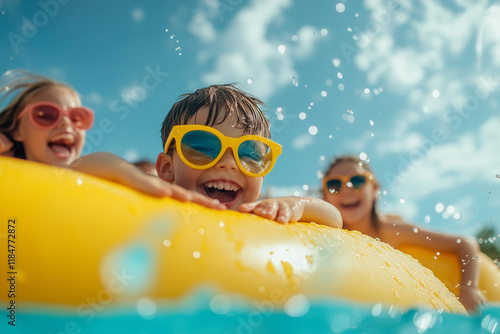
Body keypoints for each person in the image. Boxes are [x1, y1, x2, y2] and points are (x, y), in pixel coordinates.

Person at [0, 69, 223, 210]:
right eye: (46, 115)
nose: (65, 124)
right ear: (17, 130)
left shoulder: (89, 178)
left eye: (78, 118)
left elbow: (84, 166)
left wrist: (124, 172)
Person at [155, 84, 342, 226]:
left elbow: (334, 218)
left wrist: (297, 205)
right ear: (167, 168)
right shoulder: (156, 206)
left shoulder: (258, 214)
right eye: (205, 146)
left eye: (250, 155)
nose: (229, 163)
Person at [321, 155, 487, 312]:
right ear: (326, 197)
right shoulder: (328, 234)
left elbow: (465, 243)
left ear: (375, 190)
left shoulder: (391, 231)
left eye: (357, 180)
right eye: (334, 185)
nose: (346, 189)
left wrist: (469, 289)